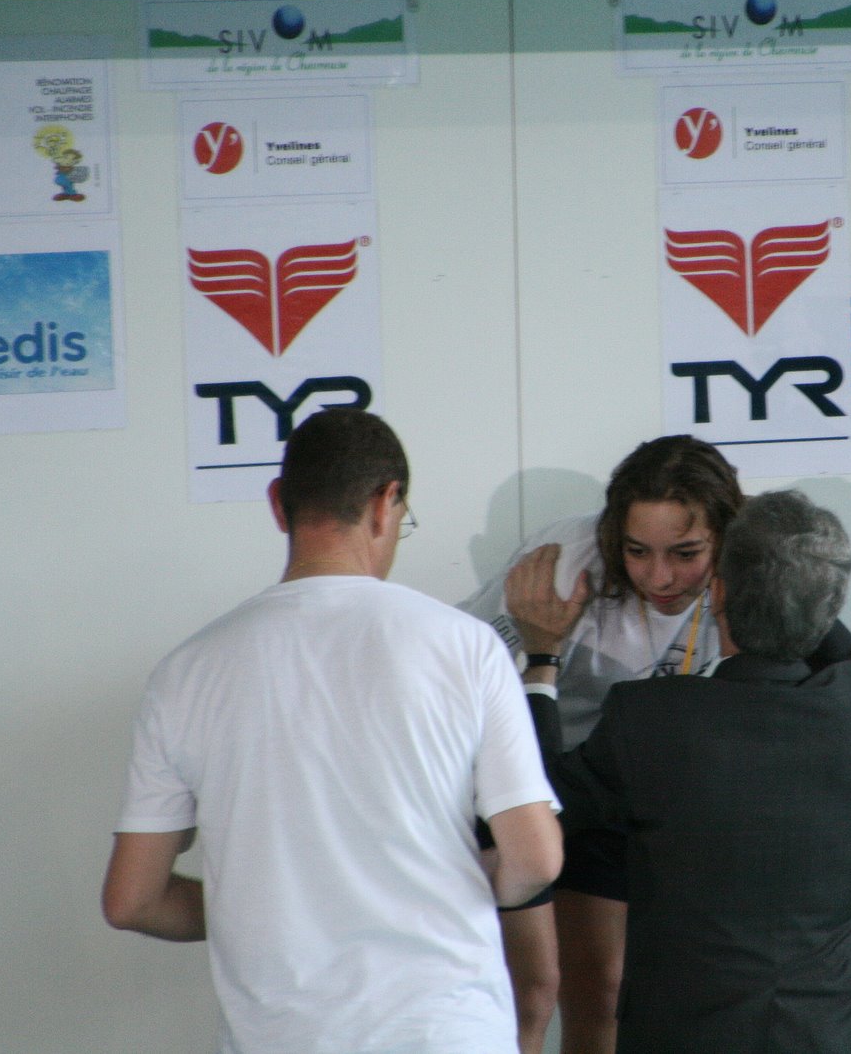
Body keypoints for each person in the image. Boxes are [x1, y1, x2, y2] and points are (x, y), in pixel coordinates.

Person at [103, 409, 563, 1054]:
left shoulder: (185, 672)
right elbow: (536, 860)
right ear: (384, 504)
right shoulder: (466, 646)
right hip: (445, 1028)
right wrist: (454, 880)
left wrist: (274, 903)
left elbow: (132, 900)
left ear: (278, 504)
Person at [527, 490, 851, 1052]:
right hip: (833, 1027)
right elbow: (838, 645)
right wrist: (785, 566)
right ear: (832, 601)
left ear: (717, 590)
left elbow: (543, 803)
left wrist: (541, 662)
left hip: (684, 1029)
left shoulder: (650, 718)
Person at [460, 435, 743, 1054]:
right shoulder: (568, 561)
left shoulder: (747, 575)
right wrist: (540, 646)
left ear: (725, 537)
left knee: (618, 992)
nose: (660, 577)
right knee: (534, 992)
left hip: (643, 792)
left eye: (686, 554)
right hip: (534, 783)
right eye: (637, 551)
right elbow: (462, 673)